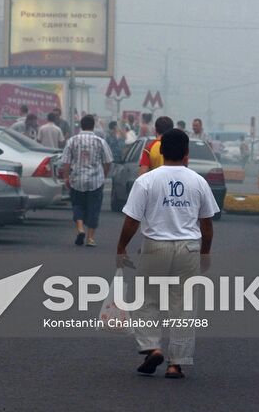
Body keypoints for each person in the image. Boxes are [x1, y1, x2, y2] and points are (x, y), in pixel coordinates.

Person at [116, 127, 219, 379]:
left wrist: (121, 246)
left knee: (145, 298)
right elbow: (207, 225)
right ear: (187, 154)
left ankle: (152, 347)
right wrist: (205, 253)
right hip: (189, 248)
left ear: (160, 152)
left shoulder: (147, 181)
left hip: (155, 246)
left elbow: (132, 220)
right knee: (183, 306)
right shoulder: (198, 181)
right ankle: (176, 363)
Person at [59, 114, 113, 247]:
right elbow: (108, 161)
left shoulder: (72, 141)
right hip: (96, 180)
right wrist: (104, 175)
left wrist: (66, 177)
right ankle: (90, 238)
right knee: (94, 208)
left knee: (77, 205)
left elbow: (66, 162)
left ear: (81, 126)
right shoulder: (100, 141)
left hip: (77, 179)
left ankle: (80, 229)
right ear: (93, 126)